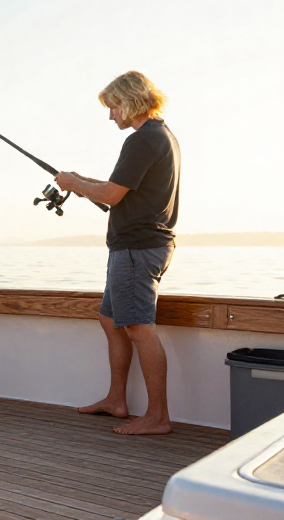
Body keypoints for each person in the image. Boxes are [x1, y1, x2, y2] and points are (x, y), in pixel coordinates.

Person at [54, 71, 180, 435]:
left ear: (129, 101)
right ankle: (116, 400)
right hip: (135, 247)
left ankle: (158, 417)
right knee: (110, 320)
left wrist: (75, 184)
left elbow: (110, 196)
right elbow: (117, 189)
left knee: (139, 327)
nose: (111, 116)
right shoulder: (161, 135)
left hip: (137, 249)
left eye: (112, 108)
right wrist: (82, 183)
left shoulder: (143, 140)